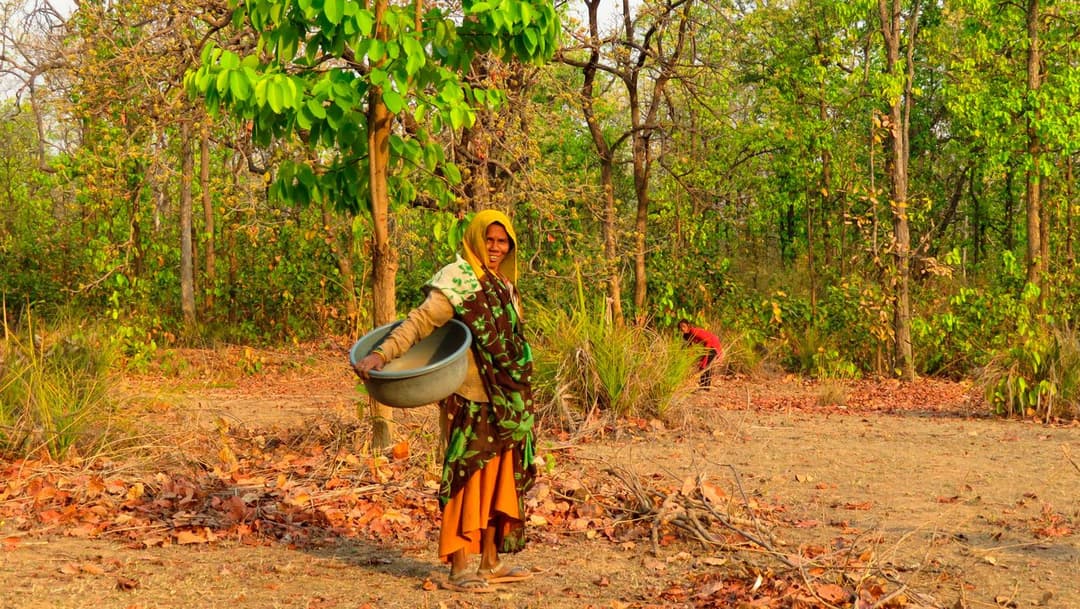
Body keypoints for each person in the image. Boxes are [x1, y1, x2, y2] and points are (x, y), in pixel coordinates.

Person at [353, 210, 536, 593]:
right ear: (475, 239)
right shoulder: (458, 280)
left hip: (507, 401)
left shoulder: (505, 287)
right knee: (467, 480)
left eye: (502, 241)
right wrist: (381, 354)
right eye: (489, 239)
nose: (495, 247)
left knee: (499, 481)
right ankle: (459, 567)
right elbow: (419, 322)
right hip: (470, 399)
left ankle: (490, 562)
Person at [677, 319, 723, 388]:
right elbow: (689, 347)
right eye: (680, 327)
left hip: (713, 346)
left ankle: (705, 388)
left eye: (684, 326)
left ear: (688, 326)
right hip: (708, 347)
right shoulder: (687, 335)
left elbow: (708, 341)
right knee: (702, 366)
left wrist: (705, 356)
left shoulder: (694, 331)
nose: (682, 329)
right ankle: (703, 386)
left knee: (705, 366)